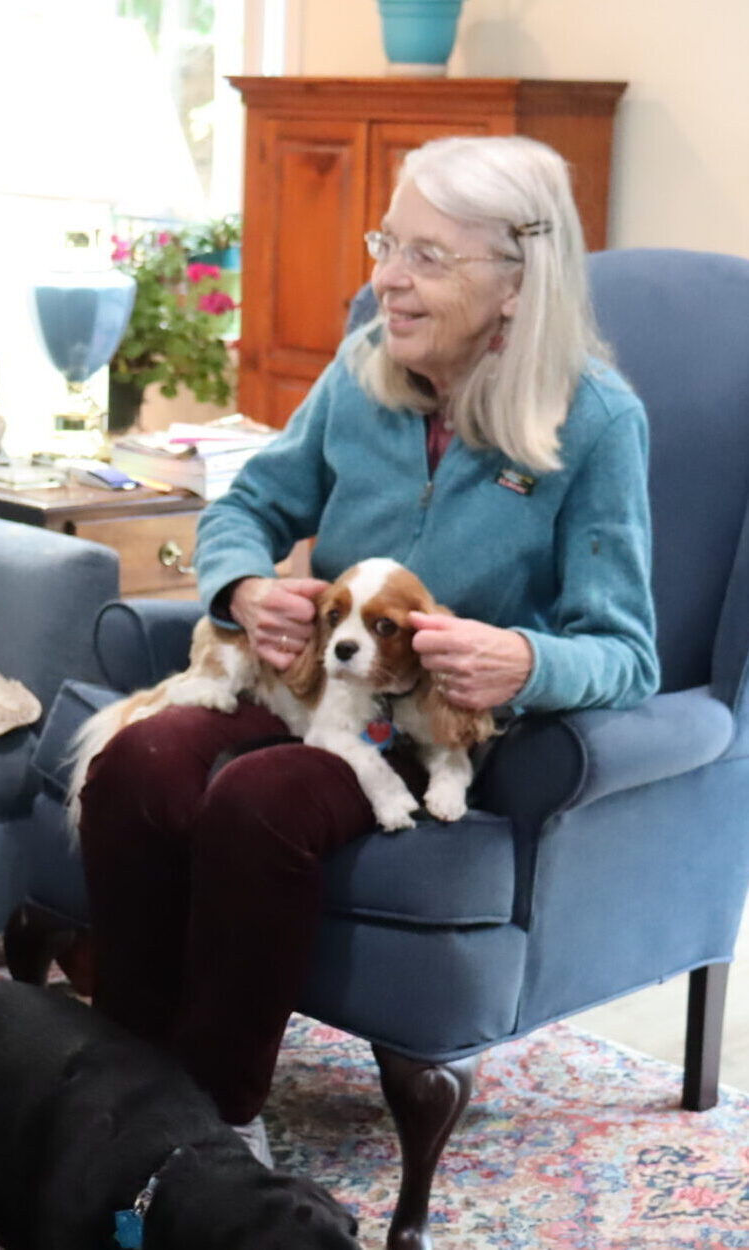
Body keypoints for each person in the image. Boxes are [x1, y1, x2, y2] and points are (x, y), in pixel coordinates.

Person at [76, 134, 659, 1159]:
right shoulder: (360, 376)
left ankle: (212, 1125)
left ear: (515, 285)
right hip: (313, 679)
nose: (383, 276)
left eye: (426, 256)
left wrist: (525, 658)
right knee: (135, 762)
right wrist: (244, 585)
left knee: (258, 804)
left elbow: (623, 650)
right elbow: (250, 502)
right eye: (387, 241)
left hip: (430, 724)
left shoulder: (595, 422)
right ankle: (132, 1079)